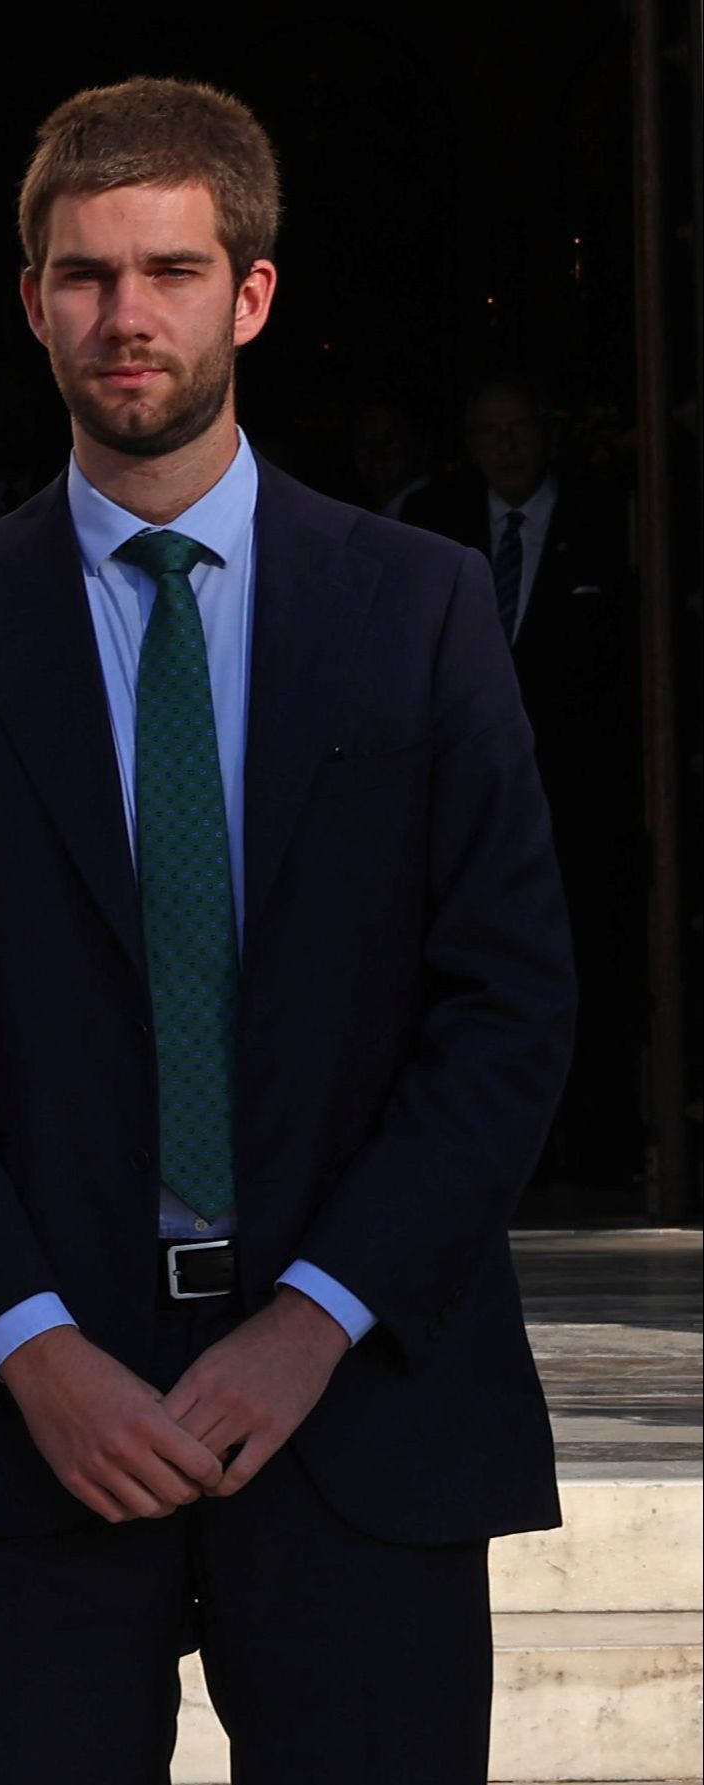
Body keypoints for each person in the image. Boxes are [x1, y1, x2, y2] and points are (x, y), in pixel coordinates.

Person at [0, 80, 574, 1785]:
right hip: (32, 1425)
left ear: (249, 294)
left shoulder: (419, 605)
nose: (123, 313)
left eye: (167, 268)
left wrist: (313, 1318)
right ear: (29, 302)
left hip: (360, 1403)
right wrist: (28, 1340)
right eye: (82, 274)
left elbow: (509, 1003)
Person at [401, 374, 646, 1188]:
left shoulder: (612, 519)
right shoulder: (432, 521)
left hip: (585, 807)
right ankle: (506, 1173)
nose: (505, 449)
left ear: (547, 433)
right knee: (475, 984)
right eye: (487, 431)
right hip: (464, 808)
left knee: (591, 984)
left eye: (519, 430)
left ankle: (604, 1164)